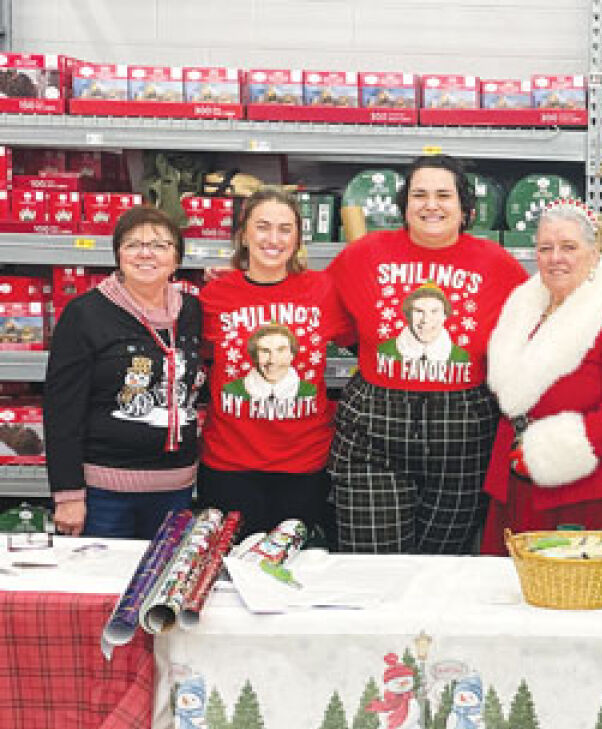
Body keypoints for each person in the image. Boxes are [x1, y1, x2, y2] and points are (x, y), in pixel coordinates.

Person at [326, 154, 529, 554]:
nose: (430, 204)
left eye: (443, 195)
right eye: (419, 194)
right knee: (376, 563)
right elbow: (321, 310)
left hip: (464, 432)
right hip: (374, 429)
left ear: (465, 209)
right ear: (403, 207)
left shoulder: (497, 264)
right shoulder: (362, 254)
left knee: (441, 566)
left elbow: (534, 329)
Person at [481, 201, 602, 560]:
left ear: (594, 254)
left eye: (569, 247)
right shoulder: (523, 307)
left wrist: (547, 452)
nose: (555, 258)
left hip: (594, 493)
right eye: (545, 248)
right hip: (518, 484)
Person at [198, 187, 352, 538]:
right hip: (229, 464)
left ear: (298, 238)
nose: (273, 238)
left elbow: (365, 338)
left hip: (304, 465)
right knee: (227, 572)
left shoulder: (323, 289)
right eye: (263, 227)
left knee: (293, 576)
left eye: (285, 229)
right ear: (243, 234)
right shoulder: (215, 296)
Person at [45, 206, 204, 538]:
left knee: (162, 586)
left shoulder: (193, 311)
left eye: (160, 245)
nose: (146, 253)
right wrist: (68, 494)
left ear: (177, 260)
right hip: (104, 494)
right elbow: (62, 411)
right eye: (133, 244)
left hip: (177, 489)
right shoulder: (84, 314)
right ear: (118, 255)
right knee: (103, 587)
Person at [377, 284, 470, 366]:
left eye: (434, 311)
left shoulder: (461, 356)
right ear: (408, 315)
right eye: (418, 311)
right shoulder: (383, 351)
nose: (425, 320)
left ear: (445, 315)